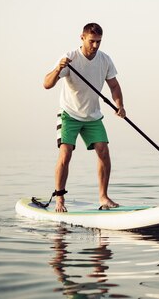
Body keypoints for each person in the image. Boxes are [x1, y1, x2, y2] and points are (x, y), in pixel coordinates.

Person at [43, 23, 126, 212]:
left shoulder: (105, 60)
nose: (96, 46)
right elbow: (47, 84)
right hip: (69, 114)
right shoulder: (70, 58)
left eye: (99, 42)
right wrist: (58, 69)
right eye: (92, 41)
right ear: (82, 37)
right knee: (66, 153)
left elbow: (114, 86)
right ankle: (60, 199)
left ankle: (104, 197)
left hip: (92, 116)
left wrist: (120, 105)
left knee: (103, 151)